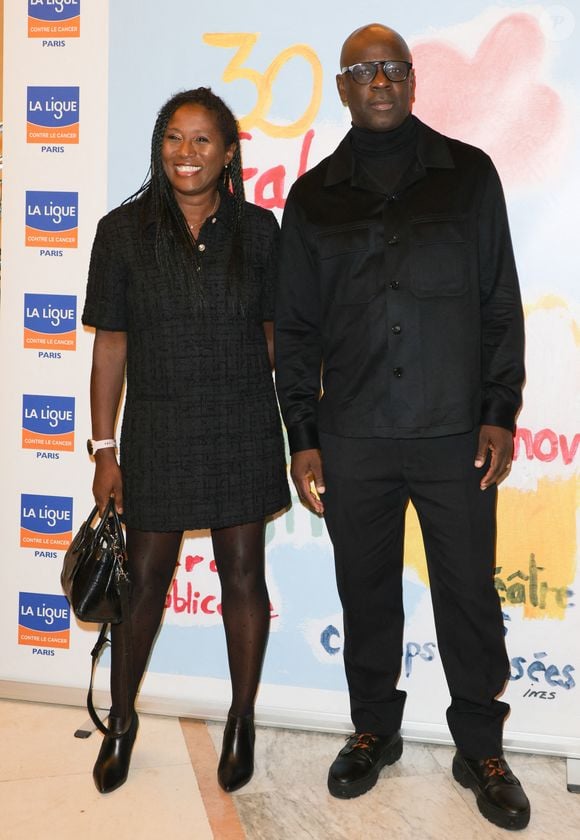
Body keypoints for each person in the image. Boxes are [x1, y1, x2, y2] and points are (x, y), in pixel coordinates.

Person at [275, 23, 530, 831]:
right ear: (343, 87)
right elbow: (296, 331)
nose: (379, 80)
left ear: (413, 81)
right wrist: (303, 436)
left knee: (466, 593)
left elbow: (499, 305)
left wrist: (499, 411)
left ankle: (480, 746)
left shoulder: (469, 177)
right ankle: (373, 729)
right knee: (367, 591)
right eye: (362, 69)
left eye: (392, 68)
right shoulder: (313, 198)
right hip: (353, 437)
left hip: (456, 434)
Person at [82, 87, 290, 795]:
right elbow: (111, 347)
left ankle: (241, 719)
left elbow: (274, 340)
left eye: (203, 140)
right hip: (159, 431)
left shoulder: (261, 233)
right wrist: (104, 450)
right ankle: (122, 719)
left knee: (243, 578)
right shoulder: (122, 232)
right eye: (174, 138)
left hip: (241, 427)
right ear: (158, 146)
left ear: (229, 153)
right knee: (142, 585)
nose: (186, 153)